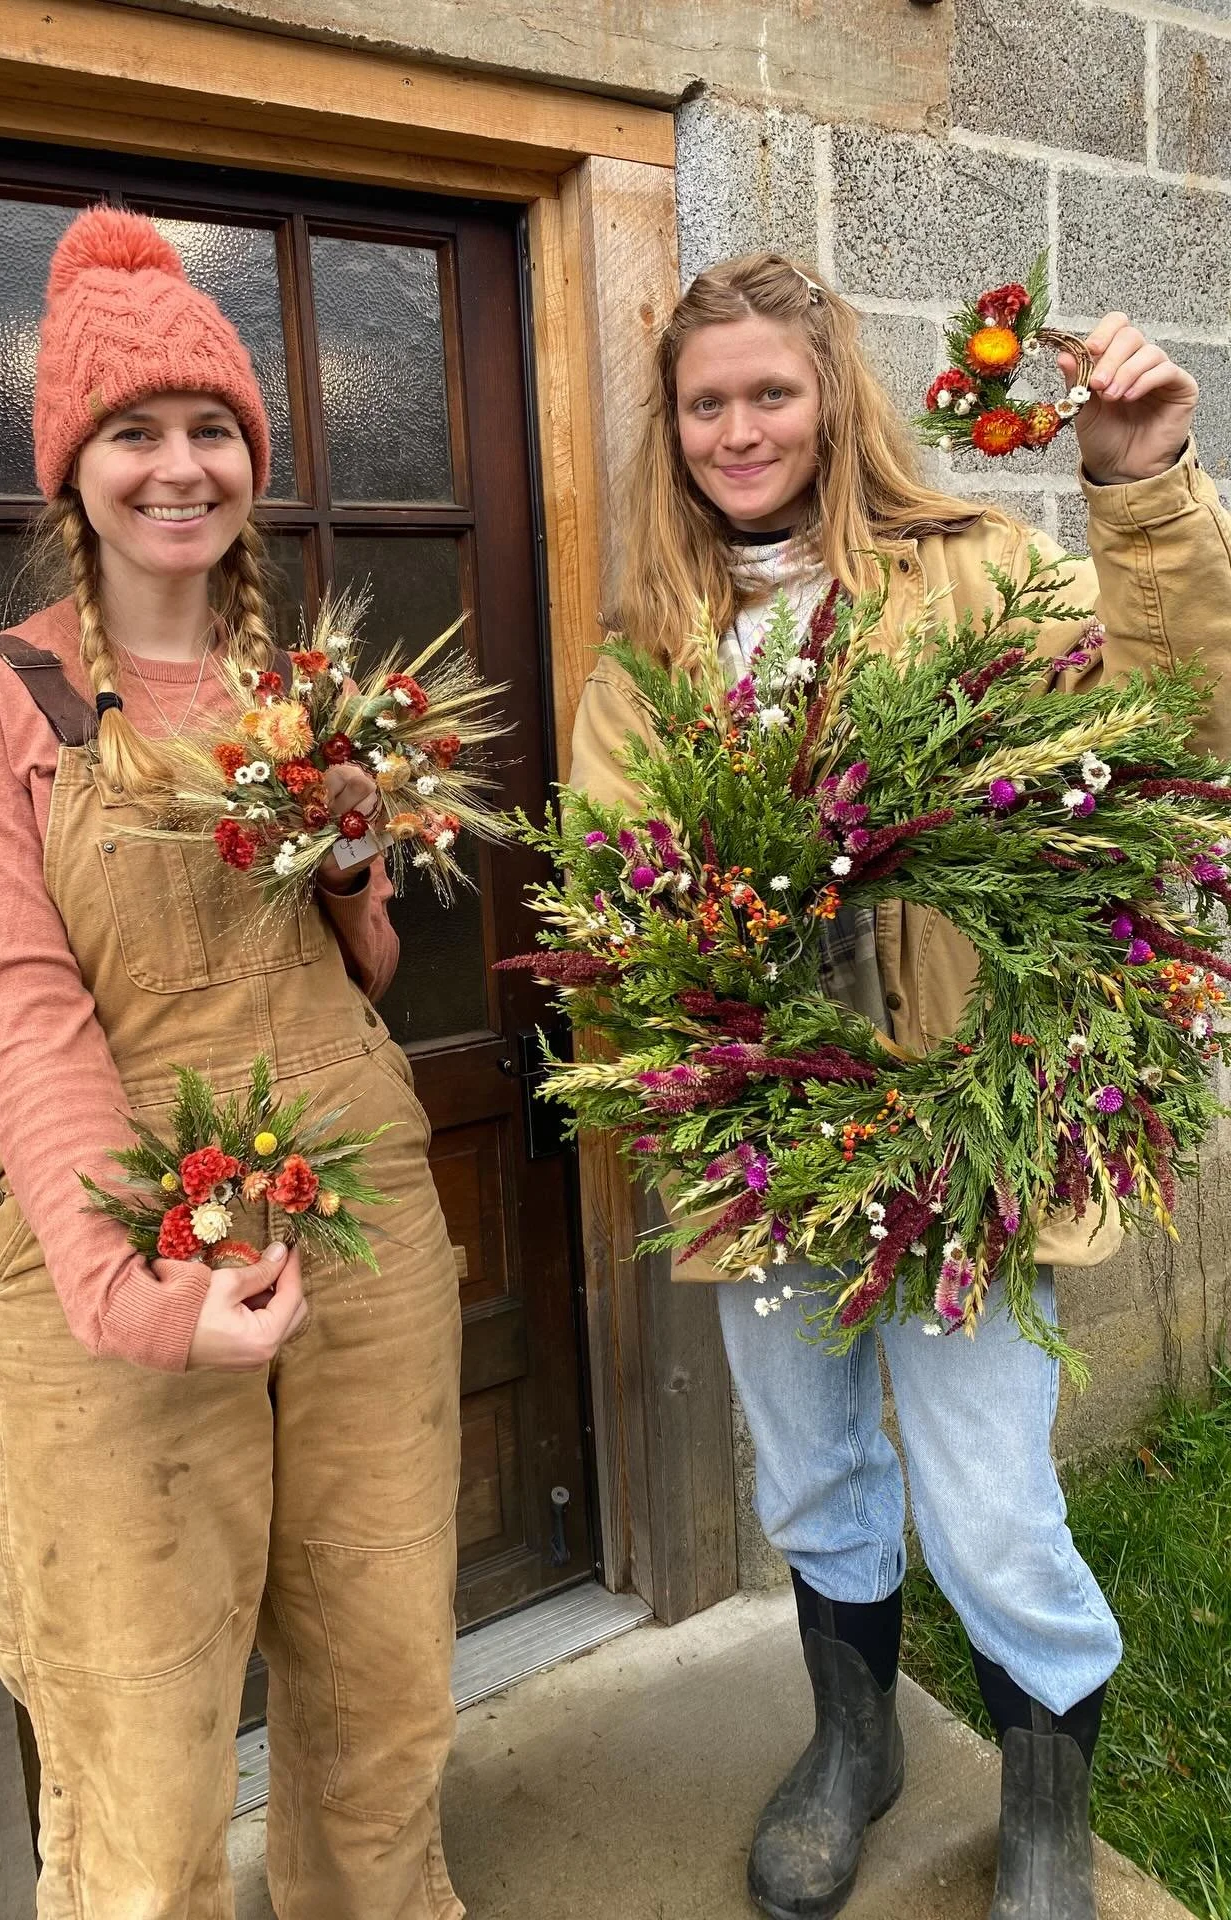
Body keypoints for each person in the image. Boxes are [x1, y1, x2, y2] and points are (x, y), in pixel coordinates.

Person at [569, 252, 1231, 1920]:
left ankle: (1043, 1809)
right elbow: (610, 909)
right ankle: (852, 1745)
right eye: (706, 401)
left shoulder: (972, 571)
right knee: (808, 1471)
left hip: (964, 1125)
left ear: (830, 397)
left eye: (768, 393)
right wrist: (692, 1094)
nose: (739, 428)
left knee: (993, 1499)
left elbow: (1174, 720)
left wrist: (1141, 486)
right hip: (773, 1147)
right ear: (675, 421)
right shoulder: (650, 657)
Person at [0, 208, 463, 1920]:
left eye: (211, 428)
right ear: (71, 470)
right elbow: (17, 1016)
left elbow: (352, 972)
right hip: (120, 1246)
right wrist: (132, 1290)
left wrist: (358, 855)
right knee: (139, 1730)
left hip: (357, 1208)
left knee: (382, 1678)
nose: (180, 466)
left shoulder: (303, 690)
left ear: (251, 459)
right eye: (135, 432)